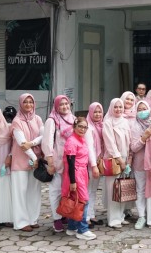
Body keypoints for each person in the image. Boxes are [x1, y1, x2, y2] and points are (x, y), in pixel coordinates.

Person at [10, 93, 44, 232]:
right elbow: (22, 143)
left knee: (34, 191)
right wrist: (34, 158)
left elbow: (43, 136)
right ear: (21, 104)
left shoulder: (37, 119)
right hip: (21, 161)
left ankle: (32, 219)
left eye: (31, 102)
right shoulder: (17, 121)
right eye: (25, 102)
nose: (29, 105)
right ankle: (21, 222)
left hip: (35, 161)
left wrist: (33, 143)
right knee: (20, 192)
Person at [63, 116, 97, 240]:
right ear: (74, 127)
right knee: (83, 201)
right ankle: (82, 230)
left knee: (76, 200)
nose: (82, 129)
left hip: (82, 172)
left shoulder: (81, 140)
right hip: (76, 173)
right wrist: (73, 181)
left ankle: (72, 227)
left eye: (85, 127)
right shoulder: (72, 141)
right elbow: (70, 162)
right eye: (80, 126)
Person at [43, 95, 73, 233]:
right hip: (57, 160)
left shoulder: (72, 119)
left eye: (66, 103)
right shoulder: (52, 120)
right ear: (56, 106)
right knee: (55, 190)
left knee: (66, 190)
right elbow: (47, 141)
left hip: (71, 161)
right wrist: (50, 161)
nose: (64, 106)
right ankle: (56, 219)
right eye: (61, 104)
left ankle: (64, 213)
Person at [102, 98, 131, 228]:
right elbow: (110, 143)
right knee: (113, 189)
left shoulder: (125, 121)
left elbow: (129, 141)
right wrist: (120, 159)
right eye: (116, 107)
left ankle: (121, 215)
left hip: (125, 159)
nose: (118, 109)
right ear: (111, 108)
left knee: (123, 188)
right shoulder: (108, 122)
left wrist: (129, 158)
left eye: (120, 107)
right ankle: (113, 219)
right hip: (114, 160)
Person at [129, 100, 151, 229]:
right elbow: (133, 147)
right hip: (140, 163)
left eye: (145, 109)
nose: (143, 111)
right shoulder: (135, 126)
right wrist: (144, 138)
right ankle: (141, 216)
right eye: (140, 109)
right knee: (141, 190)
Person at [84, 102, 104, 226]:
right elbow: (90, 148)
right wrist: (94, 165)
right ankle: (85, 217)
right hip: (90, 163)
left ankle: (91, 214)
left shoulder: (100, 126)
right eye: (95, 112)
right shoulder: (88, 127)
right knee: (87, 190)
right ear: (90, 113)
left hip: (97, 161)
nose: (97, 114)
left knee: (93, 190)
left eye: (99, 112)